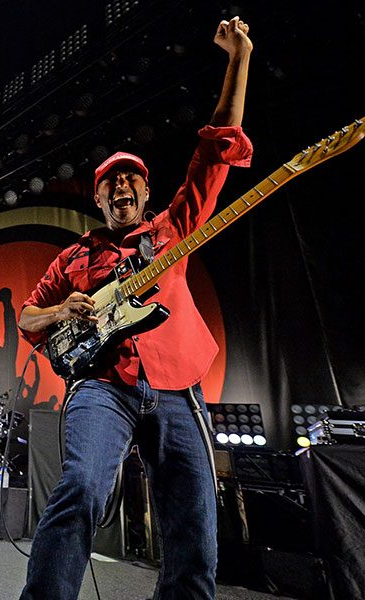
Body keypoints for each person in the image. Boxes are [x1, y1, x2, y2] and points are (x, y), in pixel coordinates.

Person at [16, 17, 253, 600]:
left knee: (195, 530)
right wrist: (63, 311)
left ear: (145, 194)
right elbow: (25, 317)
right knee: (79, 491)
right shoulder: (72, 257)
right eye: (110, 184)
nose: (121, 188)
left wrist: (238, 62)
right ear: (97, 199)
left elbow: (215, 150)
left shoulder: (172, 229)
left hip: (177, 386)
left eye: (131, 181)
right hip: (103, 385)